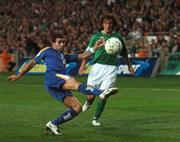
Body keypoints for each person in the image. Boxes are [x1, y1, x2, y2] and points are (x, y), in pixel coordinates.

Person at [7, 33, 117, 135]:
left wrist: (95, 47)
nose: (62, 44)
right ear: (53, 42)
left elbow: (83, 56)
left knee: (77, 107)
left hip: (56, 85)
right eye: (59, 42)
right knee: (74, 82)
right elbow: (32, 62)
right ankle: (102, 92)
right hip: (53, 77)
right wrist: (19, 75)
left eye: (64, 42)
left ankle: (53, 124)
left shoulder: (64, 56)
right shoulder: (47, 50)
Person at [79, 14, 134, 126]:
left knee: (104, 94)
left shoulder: (117, 37)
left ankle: (96, 118)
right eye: (106, 23)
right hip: (97, 68)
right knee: (91, 95)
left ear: (113, 25)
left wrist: (129, 66)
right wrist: (83, 65)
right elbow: (88, 52)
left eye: (110, 23)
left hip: (111, 68)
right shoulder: (96, 37)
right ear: (102, 24)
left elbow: (124, 53)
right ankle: (88, 102)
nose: (108, 25)